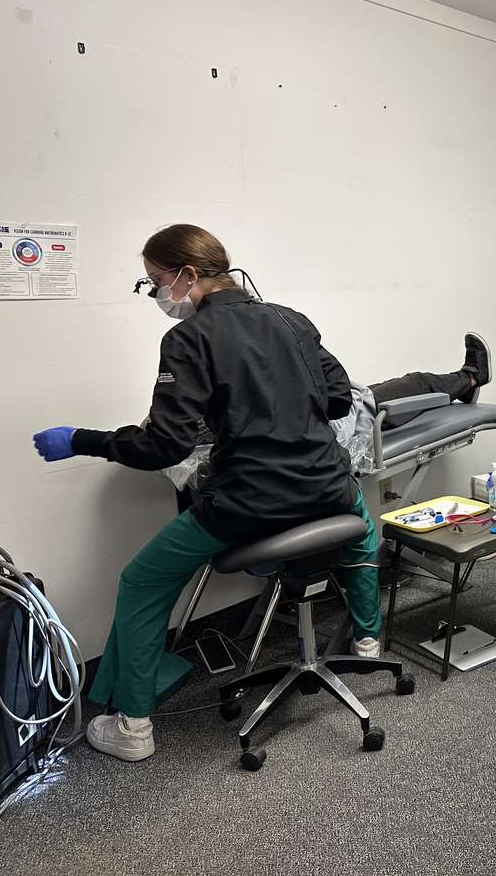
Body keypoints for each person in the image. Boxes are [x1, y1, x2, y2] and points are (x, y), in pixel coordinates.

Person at [30, 224, 386, 763]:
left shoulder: (188, 338)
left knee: (140, 581)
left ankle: (132, 726)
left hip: (251, 504)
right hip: (328, 488)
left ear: (188, 275)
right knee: (360, 531)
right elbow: (338, 399)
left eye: (155, 282)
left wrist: (80, 440)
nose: (156, 295)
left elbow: (163, 446)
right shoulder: (293, 320)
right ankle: (367, 642)